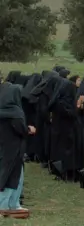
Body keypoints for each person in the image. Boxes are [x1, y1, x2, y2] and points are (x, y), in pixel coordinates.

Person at [0, 82, 32, 217]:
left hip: (3, 147)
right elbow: (20, 129)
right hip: (14, 148)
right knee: (12, 175)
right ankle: (6, 205)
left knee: (9, 174)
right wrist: (29, 129)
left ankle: (12, 204)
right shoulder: (15, 111)